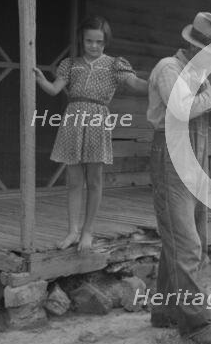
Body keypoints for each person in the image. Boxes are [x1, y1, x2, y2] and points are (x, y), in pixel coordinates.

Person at [147, 11, 211, 344]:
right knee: (187, 243)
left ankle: (165, 311)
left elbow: (209, 113)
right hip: (172, 152)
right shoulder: (169, 69)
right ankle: (197, 325)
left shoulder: (199, 74)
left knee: (186, 232)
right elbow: (182, 110)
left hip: (196, 150)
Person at [34, 15, 148, 251]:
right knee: (74, 181)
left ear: (105, 41)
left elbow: (135, 84)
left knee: (94, 180)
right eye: (89, 41)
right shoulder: (71, 64)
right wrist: (41, 80)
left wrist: (160, 82)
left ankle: (88, 231)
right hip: (73, 120)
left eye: (99, 42)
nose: (94, 46)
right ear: (81, 40)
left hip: (97, 121)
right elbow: (55, 90)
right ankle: (72, 231)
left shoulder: (115, 64)